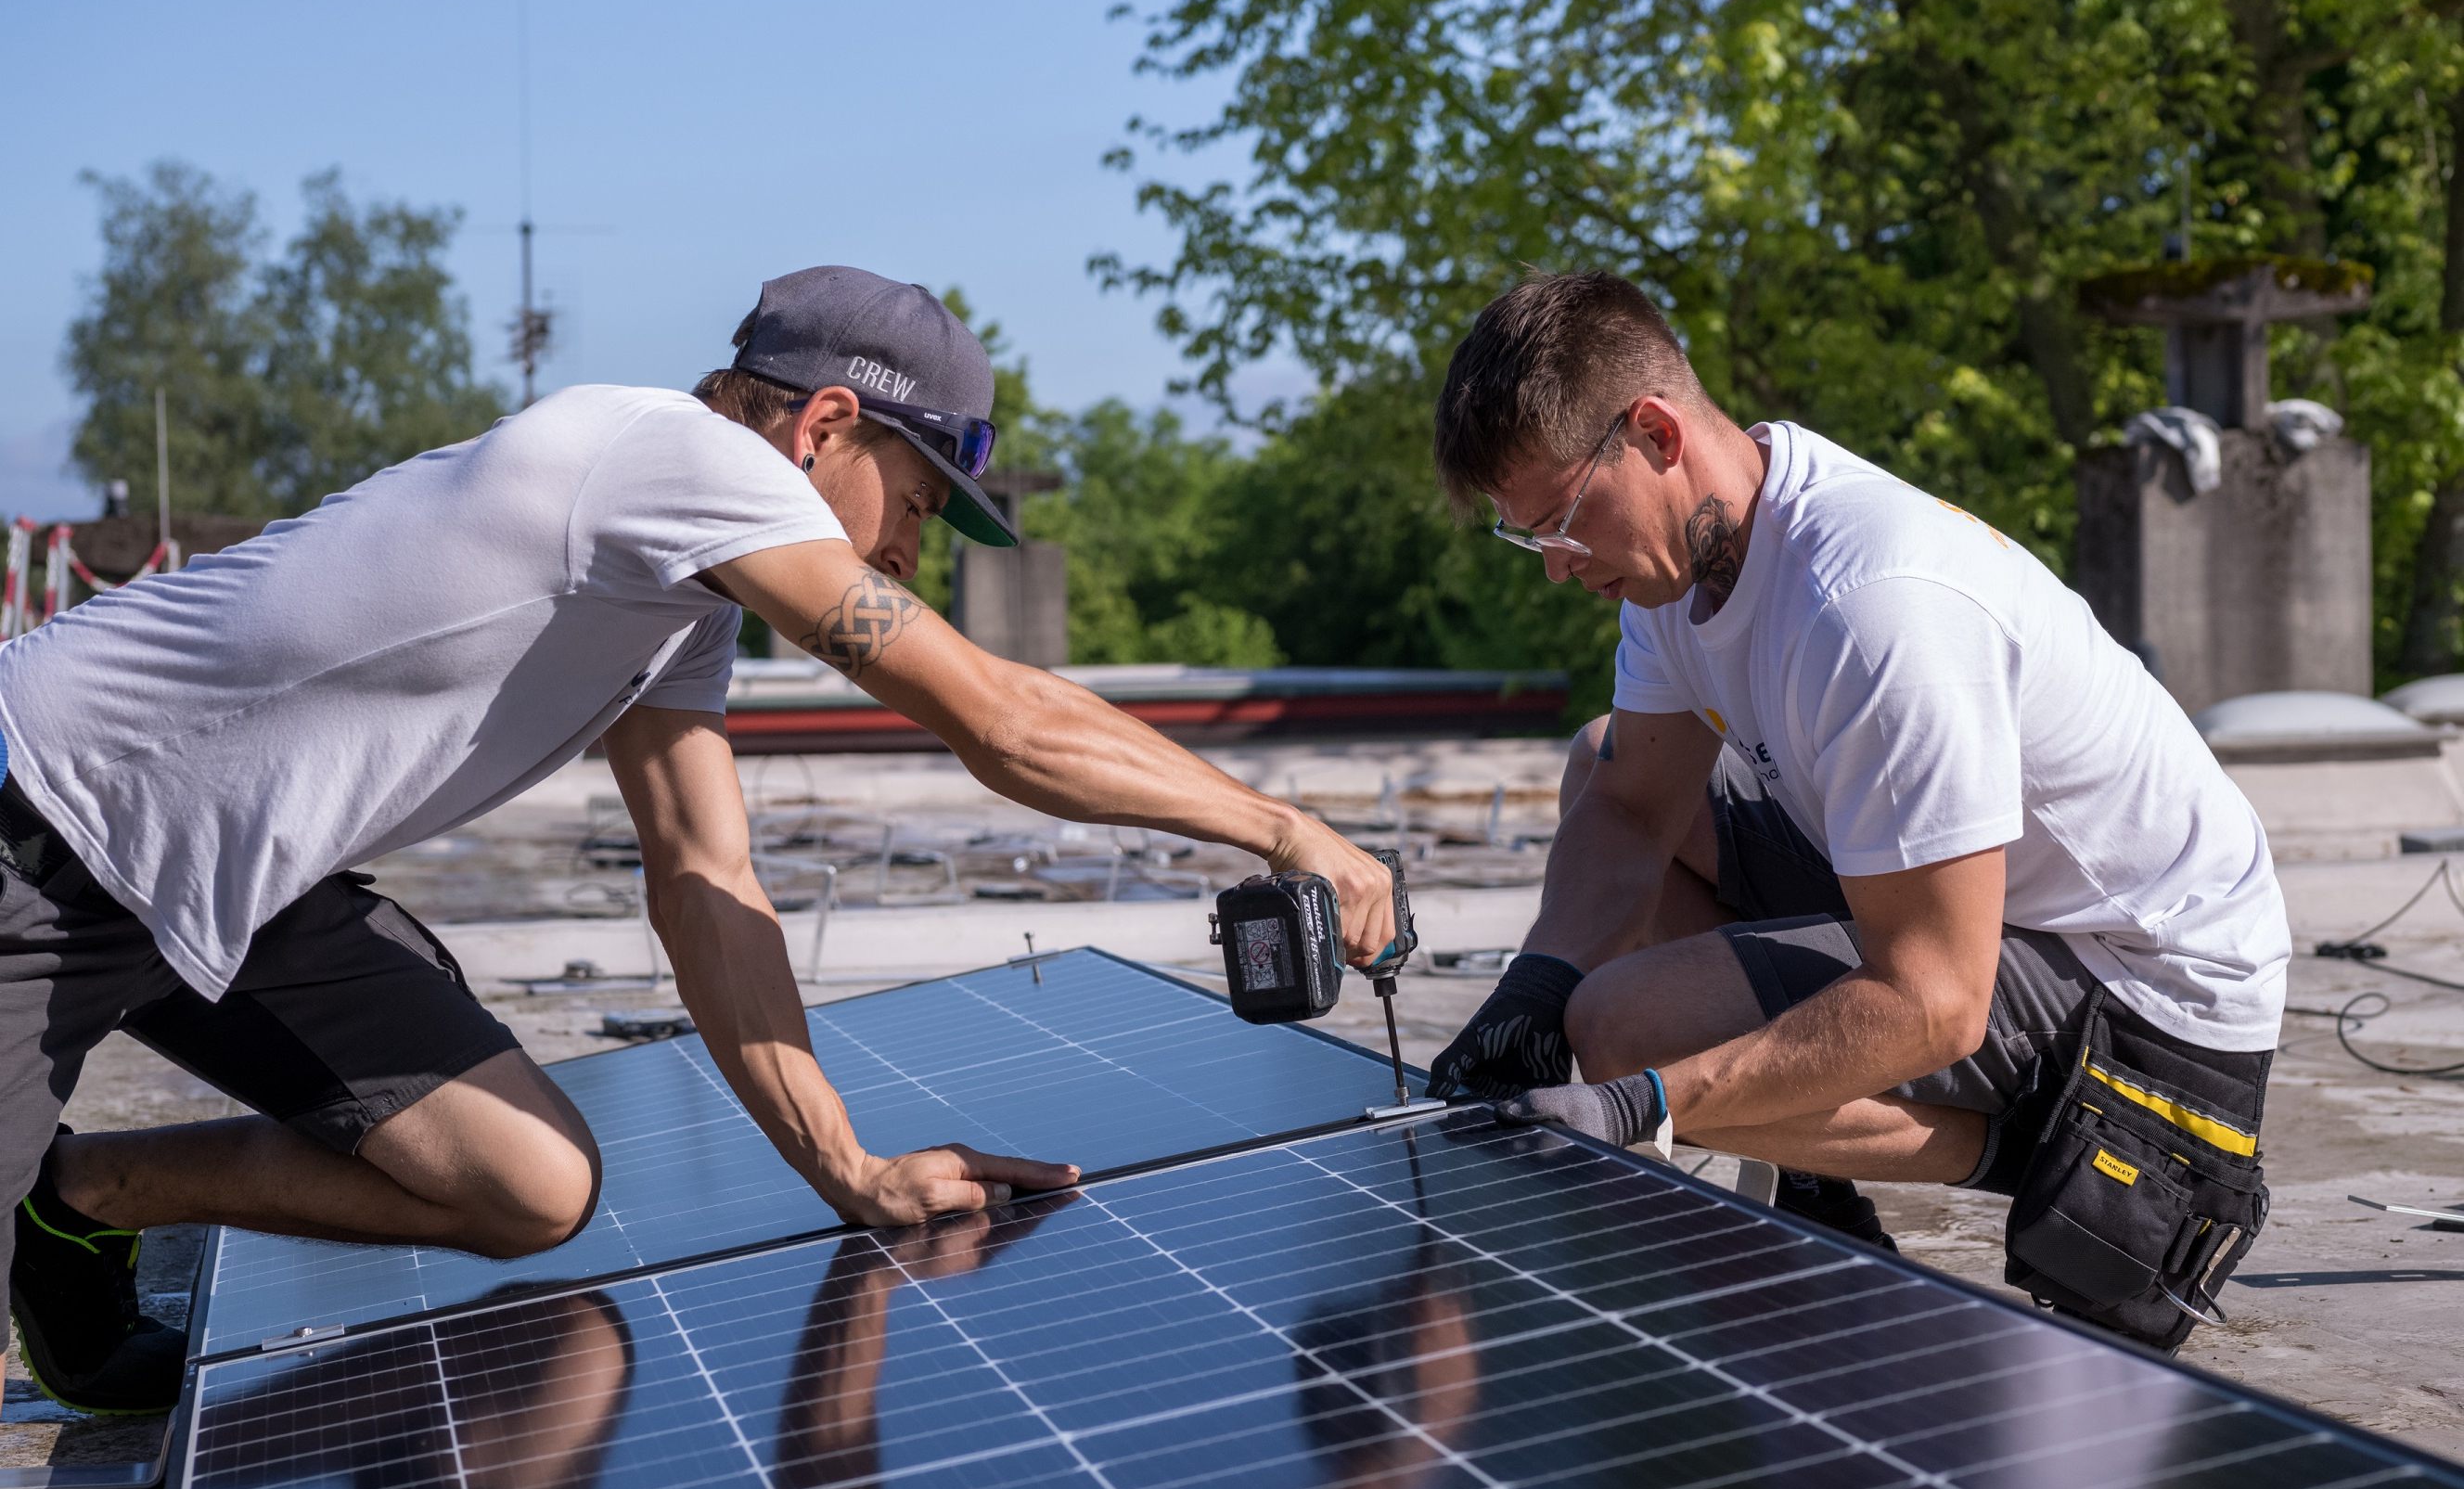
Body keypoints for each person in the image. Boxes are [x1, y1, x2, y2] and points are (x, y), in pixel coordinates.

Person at [1, 265, 1396, 1414]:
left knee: (529, 1183)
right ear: (825, 426)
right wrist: (1284, 829)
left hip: (235, 883)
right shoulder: (674, 462)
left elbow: (705, 877)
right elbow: (998, 717)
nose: (907, 555)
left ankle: (79, 1195)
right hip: (43, 820)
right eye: (914, 505)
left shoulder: (681, 601)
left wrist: (847, 1168)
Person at [1427, 272, 2286, 1349]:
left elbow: (1934, 999)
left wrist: (1647, 1101)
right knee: (1600, 760)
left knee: (1622, 1027)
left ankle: (2079, 1159)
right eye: (1527, 539)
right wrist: (1532, 989)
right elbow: (1634, 808)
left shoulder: (1871, 606)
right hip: (1989, 915)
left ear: (1654, 434)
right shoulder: (1678, 567)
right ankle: (1815, 1196)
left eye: (1560, 521)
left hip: (2148, 989)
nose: (1557, 567)